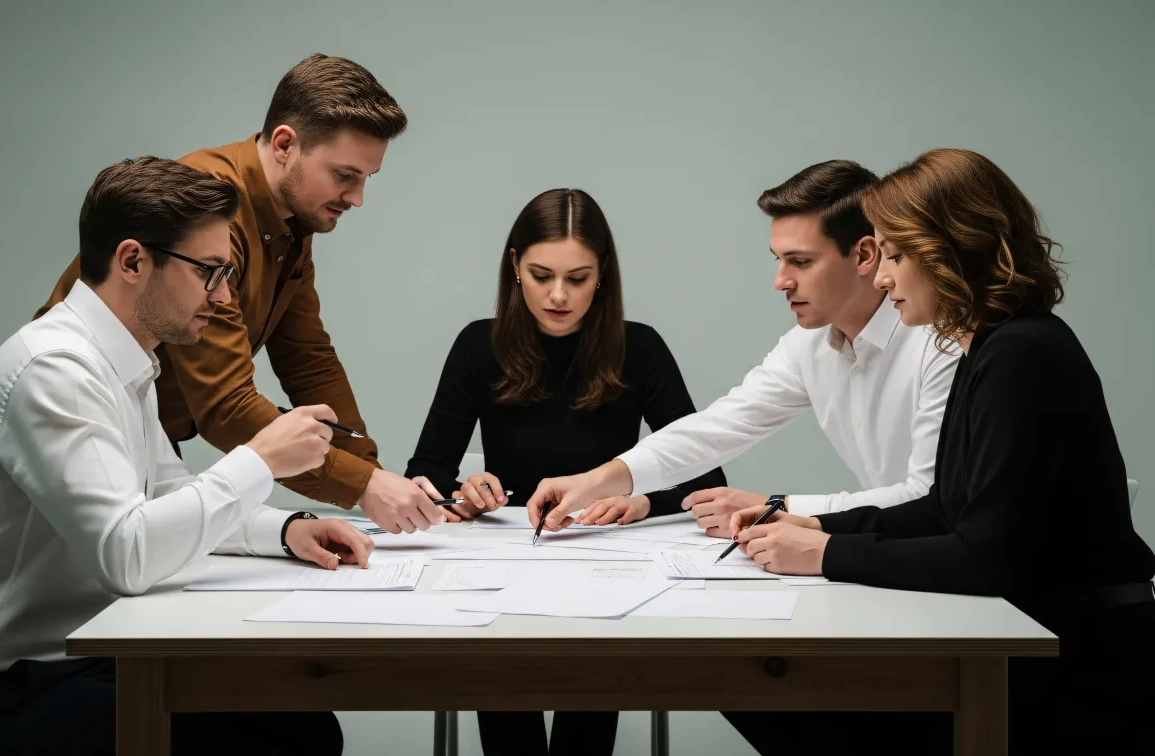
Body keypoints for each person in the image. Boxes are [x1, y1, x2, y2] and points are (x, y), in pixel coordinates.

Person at [721, 149, 1155, 753]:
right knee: (763, 687)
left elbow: (983, 559)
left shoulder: (1020, 356)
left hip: (1078, 667)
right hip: (1036, 638)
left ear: (951, 250)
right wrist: (812, 522)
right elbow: (944, 508)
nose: (881, 277)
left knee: (770, 689)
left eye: (895, 255)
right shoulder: (990, 347)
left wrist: (826, 553)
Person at [0, 158, 372, 755]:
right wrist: (259, 458)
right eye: (210, 272)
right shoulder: (55, 370)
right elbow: (127, 553)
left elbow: (167, 498)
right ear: (131, 262)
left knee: (298, 723)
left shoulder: (121, 359)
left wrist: (287, 529)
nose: (225, 295)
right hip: (5, 686)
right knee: (287, 736)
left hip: (84, 656)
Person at [37, 53, 446, 535]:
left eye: (365, 178)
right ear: (284, 144)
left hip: (150, 444)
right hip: (84, 416)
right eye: (344, 175)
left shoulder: (291, 215)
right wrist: (363, 486)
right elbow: (225, 404)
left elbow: (308, 358)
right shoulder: (211, 217)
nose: (357, 198)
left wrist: (375, 476)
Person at [404, 188, 725, 755]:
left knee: (589, 705)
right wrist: (464, 492)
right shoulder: (479, 345)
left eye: (578, 278)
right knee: (508, 710)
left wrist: (644, 502)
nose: (558, 295)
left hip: (606, 567)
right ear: (514, 267)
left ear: (602, 275)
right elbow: (426, 473)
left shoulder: (639, 348)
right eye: (541, 274)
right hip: (505, 567)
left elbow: (708, 481)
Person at [525, 161, 960, 536]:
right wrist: (595, 481)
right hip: (887, 547)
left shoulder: (939, 341)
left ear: (865, 255)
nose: (781, 281)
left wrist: (777, 507)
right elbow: (717, 428)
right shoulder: (806, 346)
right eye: (779, 260)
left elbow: (926, 496)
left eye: (801, 262)